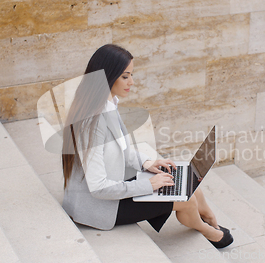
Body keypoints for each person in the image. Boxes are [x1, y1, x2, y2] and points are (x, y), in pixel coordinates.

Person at [61, 44, 233, 248]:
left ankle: (211, 219)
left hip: (114, 184)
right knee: (187, 199)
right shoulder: (93, 122)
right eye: (125, 76)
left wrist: (147, 163)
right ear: (108, 75)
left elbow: (122, 149)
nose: (131, 82)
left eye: (131, 75)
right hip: (101, 205)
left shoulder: (107, 104)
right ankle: (209, 231)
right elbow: (99, 188)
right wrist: (149, 185)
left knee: (187, 184)